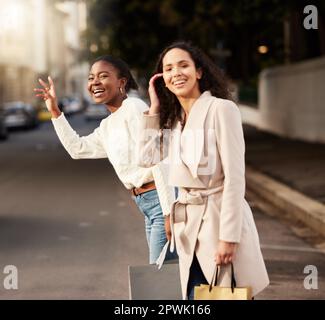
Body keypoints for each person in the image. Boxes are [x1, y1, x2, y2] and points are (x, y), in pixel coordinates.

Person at [137, 41, 269, 299]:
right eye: (169, 69)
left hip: (217, 224)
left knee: (227, 294)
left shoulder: (221, 109)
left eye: (183, 65)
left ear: (199, 72)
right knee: (196, 297)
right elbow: (147, 157)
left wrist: (228, 238)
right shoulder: (173, 121)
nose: (176, 73)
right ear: (162, 79)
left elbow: (234, 178)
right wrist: (153, 110)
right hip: (187, 230)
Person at [34, 55, 176, 264]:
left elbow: (160, 159)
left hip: (159, 201)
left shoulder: (135, 108)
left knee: (159, 276)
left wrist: (168, 212)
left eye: (103, 76)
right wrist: (54, 110)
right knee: (164, 276)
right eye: (91, 78)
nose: (95, 82)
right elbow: (77, 149)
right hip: (146, 204)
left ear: (121, 82)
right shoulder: (107, 126)